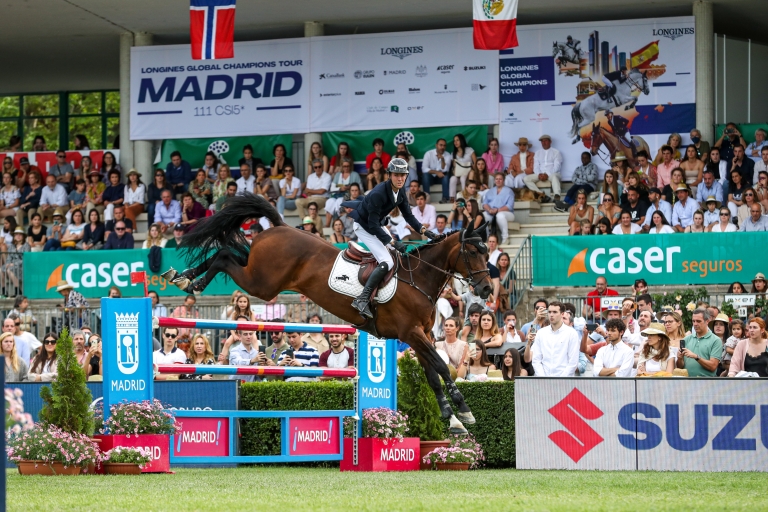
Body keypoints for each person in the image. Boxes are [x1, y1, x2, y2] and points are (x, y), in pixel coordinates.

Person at [343, 158, 438, 319]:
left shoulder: (400, 191)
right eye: (396, 175)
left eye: (403, 175)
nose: (400, 178)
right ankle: (362, 299)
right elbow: (372, 225)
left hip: (376, 224)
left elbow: (408, 216)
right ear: (389, 175)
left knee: (397, 254)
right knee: (387, 262)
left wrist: (424, 230)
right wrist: (392, 242)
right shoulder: (379, 193)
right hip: (364, 226)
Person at [531, 301, 580, 376]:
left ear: (562, 314)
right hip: (543, 380)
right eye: (549, 312)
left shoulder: (572, 333)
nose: (551, 315)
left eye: (554, 312)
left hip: (564, 381)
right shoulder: (540, 332)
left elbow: (573, 362)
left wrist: (560, 380)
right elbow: (536, 360)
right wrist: (543, 378)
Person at [676, 309, 721, 377]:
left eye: (698, 321)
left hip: (706, 383)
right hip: (687, 382)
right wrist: (679, 358)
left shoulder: (716, 340)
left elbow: (713, 366)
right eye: (693, 321)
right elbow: (680, 367)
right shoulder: (686, 339)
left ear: (707, 321)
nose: (695, 324)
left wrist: (696, 357)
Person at [325, 160, 362, 225]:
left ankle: (338, 222)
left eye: (348, 166)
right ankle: (328, 224)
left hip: (347, 196)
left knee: (339, 202)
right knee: (329, 202)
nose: (346, 168)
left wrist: (350, 188)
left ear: (350, 166)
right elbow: (331, 188)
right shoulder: (338, 175)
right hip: (336, 194)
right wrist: (340, 188)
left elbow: (360, 188)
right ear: (342, 166)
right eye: (344, 166)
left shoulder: (355, 175)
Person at [482, 173, 515, 245]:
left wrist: (497, 210)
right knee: (481, 217)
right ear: (494, 180)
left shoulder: (509, 191)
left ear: (503, 180)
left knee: (499, 215)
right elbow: (485, 204)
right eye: (496, 179)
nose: (498, 181)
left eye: (500, 179)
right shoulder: (490, 191)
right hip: (491, 212)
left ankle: (505, 238)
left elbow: (509, 206)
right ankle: (487, 238)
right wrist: (489, 210)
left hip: (507, 213)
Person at [525, 135, 562, 199]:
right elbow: (535, 166)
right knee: (526, 179)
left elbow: (557, 167)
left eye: (545, 141)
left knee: (554, 177)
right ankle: (541, 194)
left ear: (550, 142)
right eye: (542, 141)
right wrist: (539, 174)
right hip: (540, 174)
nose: (544, 143)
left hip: (552, 173)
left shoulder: (556, 152)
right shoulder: (537, 153)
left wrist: (547, 174)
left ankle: (557, 196)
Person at [422, 138, 453, 203]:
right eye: (441, 145)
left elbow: (445, 169)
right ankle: (426, 198)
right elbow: (424, 168)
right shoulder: (428, 154)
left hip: (441, 178)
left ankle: (445, 198)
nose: (442, 147)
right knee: (425, 175)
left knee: (446, 176)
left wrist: (442, 159)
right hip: (431, 178)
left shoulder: (447, 155)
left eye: (444, 146)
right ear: (436, 145)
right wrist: (436, 172)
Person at [449, 134, 476, 200]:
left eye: (457, 140)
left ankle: (465, 196)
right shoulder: (453, 153)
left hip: (468, 174)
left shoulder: (469, 150)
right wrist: (454, 171)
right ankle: (453, 198)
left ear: (462, 140)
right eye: (454, 141)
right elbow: (453, 166)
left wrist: (472, 171)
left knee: (463, 178)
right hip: (458, 174)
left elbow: (475, 163)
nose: (455, 142)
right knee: (452, 178)